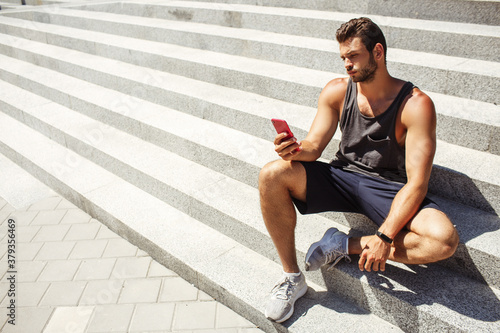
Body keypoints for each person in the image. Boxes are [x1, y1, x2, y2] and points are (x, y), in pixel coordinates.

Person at [259, 17, 459, 323]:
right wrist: (296, 151)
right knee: (272, 174)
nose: (347, 65)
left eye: (353, 56)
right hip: (342, 176)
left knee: (444, 240)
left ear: (377, 52)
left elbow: (418, 184)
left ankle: (343, 245)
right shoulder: (337, 91)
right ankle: (292, 278)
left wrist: (384, 237)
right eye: (343, 58)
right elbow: (314, 145)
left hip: (388, 188)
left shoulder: (415, 105)